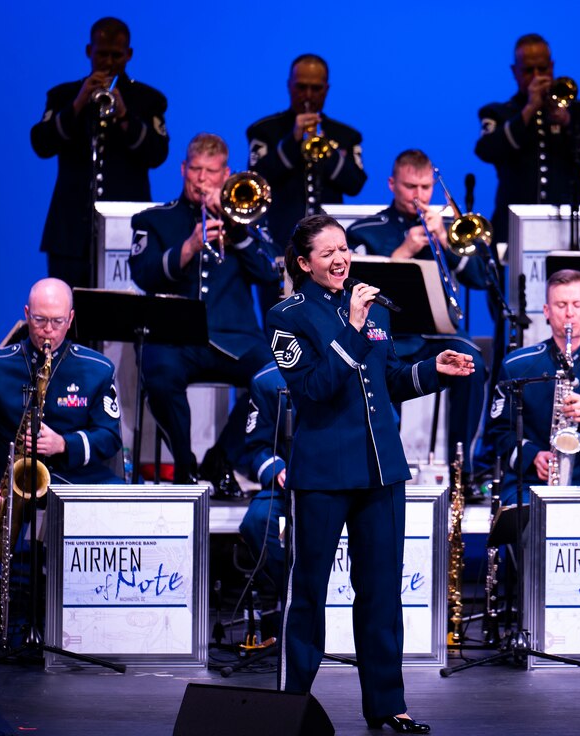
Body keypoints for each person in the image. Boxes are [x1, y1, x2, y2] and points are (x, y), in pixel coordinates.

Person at [268, 214, 473, 733]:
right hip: (321, 474)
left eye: (344, 249)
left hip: (381, 470)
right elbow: (313, 388)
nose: (341, 259)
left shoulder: (373, 310)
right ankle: (291, 705)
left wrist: (432, 371)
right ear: (303, 263)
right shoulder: (286, 316)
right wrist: (354, 329)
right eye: (328, 252)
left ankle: (387, 703)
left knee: (382, 591)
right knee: (309, 592)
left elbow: (390, 380)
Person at [129, 133, 282, 491]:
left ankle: (222, 460)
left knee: (280, 377)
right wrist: (189, 247)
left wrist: (238, 230)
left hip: (236, 337)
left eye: (211, 172)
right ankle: (186, 467)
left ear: (226, 174)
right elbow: (143, 274)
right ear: (183, 169)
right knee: (160, 375)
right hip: (176, 339)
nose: (201, 179)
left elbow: (269, 273)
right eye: (195, 169)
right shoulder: (154, 220)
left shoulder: (250, 221)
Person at [347, 149, 488, 481]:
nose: (418, 196)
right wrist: (403, 253)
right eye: (410, 187)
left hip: (437, 335)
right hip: (386, 336)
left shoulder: (451, 228)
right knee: (379, 368)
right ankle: (384, 468)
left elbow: (481, 278)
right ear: (392, 184)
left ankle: (462, 468)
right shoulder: (366, 230)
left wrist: (444, 239)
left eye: (425, 188)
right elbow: (356, 288)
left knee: (473, 364)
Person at [0, 278, 123, 519]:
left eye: (57, 321)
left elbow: (110, 436)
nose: (48, 330)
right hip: (10, 490)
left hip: (74, 480)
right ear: (27, 314)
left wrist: (64, 444)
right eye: (39, 320)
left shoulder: (98, 369)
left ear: (70, 319)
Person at [30, 17, 168, 289]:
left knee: (122, 316)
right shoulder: (63, 95)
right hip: (69, 232)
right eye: (101, 54)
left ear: (128, 55)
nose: (108, 62)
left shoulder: (148, 99)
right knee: (68, 314)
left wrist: (126, 117)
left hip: (126, 231)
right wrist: (78, 103)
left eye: (116, 55)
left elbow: (158, 154)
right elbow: (41, 144)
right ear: (88, 51)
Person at [486, 269, 580, 505]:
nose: (569, 313)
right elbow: (497, 433)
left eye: (577, 304)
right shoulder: (516, 366)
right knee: (529, 528)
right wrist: (533, 456)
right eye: (561, 305)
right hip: (529, 483)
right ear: (547, 312)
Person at [247, 53, 367, 311]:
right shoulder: (265, 131)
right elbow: (256, 181)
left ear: (327, 89)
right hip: (278, 246)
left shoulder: (345, 136)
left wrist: (326, 149)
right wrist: (292, 143)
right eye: (301, 87)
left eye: (316, 88)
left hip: (328, 255)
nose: (308, 95)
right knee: (278, 323)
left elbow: (355, 183)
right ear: (289, 86)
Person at [475, 33, 580, 245]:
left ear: (552, 66)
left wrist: (567, 121)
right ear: (515, 72)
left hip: (567, 229)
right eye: (529, 71)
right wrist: (529, 110)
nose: (537, 77)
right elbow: (486, 150)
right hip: (513, 229)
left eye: (543, 69)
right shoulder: (498, 113)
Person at [238, 362, 289, 590]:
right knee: (259, 520)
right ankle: (287, 593)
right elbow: (258, 447)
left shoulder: (358, 367)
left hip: (347, 485)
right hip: (291, 493)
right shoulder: (268, 381)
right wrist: (277, 469)